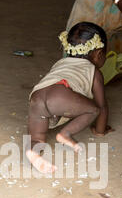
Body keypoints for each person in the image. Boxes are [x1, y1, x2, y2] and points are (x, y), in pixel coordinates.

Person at [26, 22, 112, 175]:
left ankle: (34, 152)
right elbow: (102, 106)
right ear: (99, 54)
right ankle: (65, 134)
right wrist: (100, 130)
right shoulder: (94, 71)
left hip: (37, 95)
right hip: (59, 95)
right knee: (93, 110)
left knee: (37, 137)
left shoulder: (60, 62)